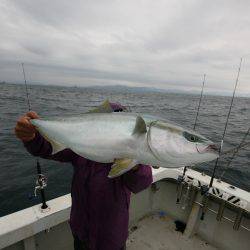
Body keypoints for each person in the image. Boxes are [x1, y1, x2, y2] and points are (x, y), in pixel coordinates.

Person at [14, 102, 153, 250]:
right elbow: (48, 149)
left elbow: (141, 182)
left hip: (111, 236)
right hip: (81, 230)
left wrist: (134, 162)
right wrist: (31, 138)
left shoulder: (131, 155)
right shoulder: (81, 145)